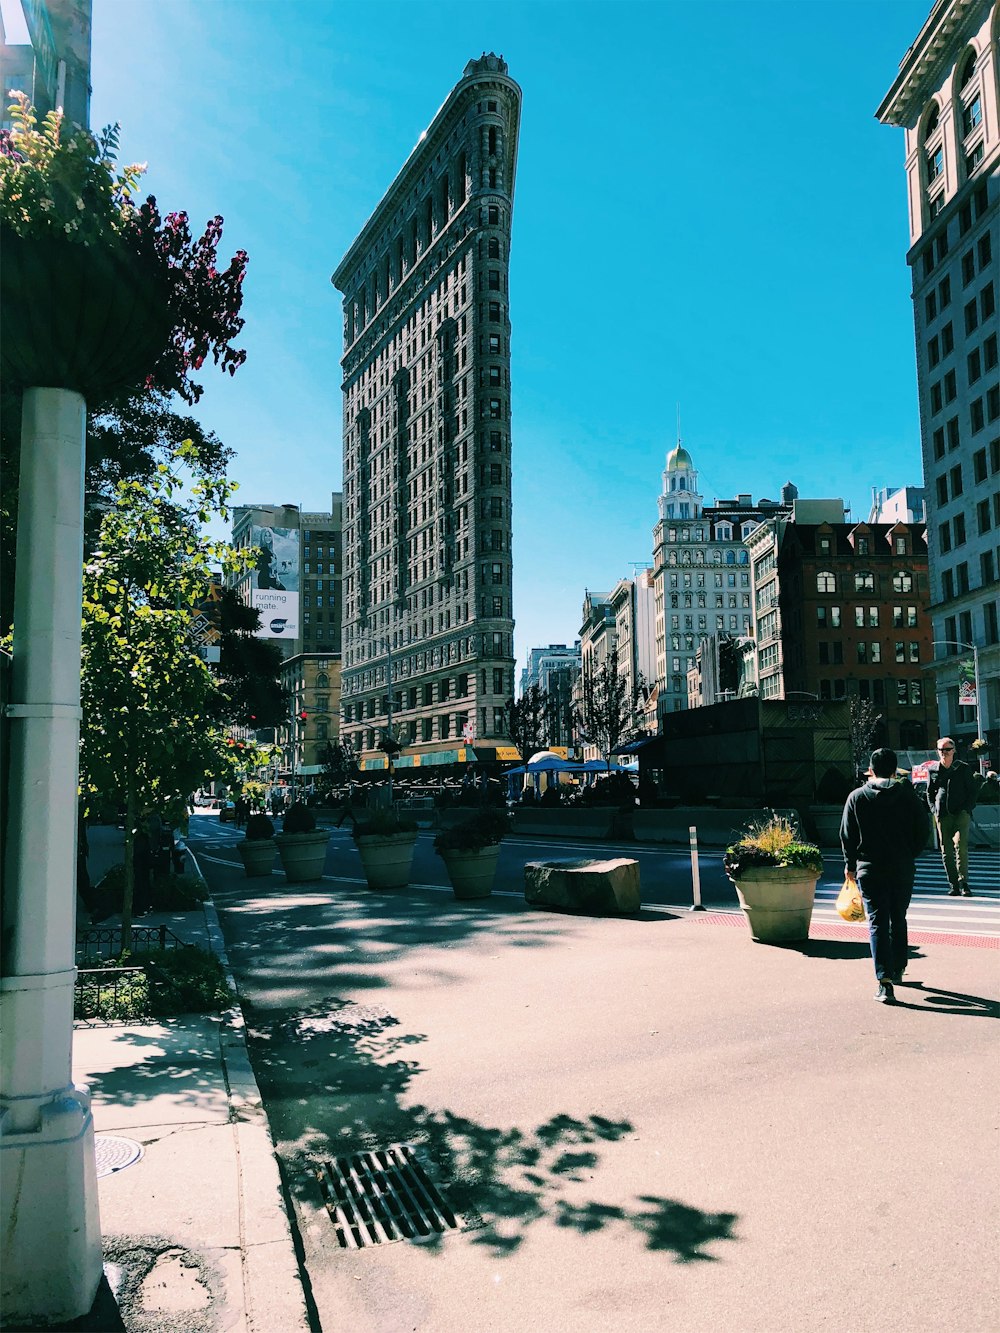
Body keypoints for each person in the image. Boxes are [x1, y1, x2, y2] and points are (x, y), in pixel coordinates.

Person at [840, 747, 930, 1004]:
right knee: (898, 917)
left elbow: (847, 835)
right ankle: (899, 966)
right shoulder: (908, 796)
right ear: (894, 770)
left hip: (870, 867)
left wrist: (851, 865)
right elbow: (923, 830)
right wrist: (909, 852)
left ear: (870, 770)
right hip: (902, 866)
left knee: (877, 921)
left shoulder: (857, 797)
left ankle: (885, 981)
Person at [926, 737, 979, 896]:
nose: (944, 753)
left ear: (954, 751)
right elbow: (929, 792)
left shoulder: (963, 768)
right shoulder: (934, 769)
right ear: (938, 751)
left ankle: (964, 883)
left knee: (961, 847)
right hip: (942, 814)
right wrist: (934, 809)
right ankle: (953, 884)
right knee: (946, 851)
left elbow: (972, 791)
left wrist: (967, 809)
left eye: (948, 749)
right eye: (941, 750)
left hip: (961, 813)